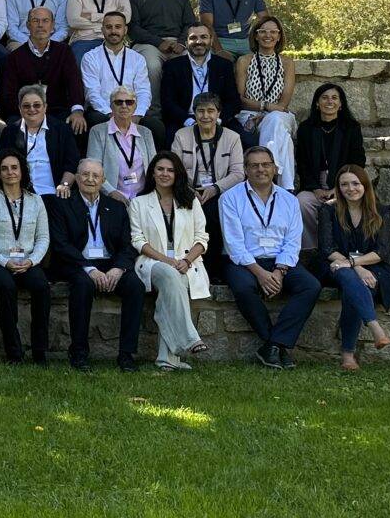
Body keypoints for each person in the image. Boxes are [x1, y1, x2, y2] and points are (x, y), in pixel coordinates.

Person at [220, 146, 319, 368]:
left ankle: (273, 345)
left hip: (279, 261)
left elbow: (292, 242)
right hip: (244, 262)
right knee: (243, 288)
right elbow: (234, 244)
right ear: (246, 170)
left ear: (274, 168)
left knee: (310, 286)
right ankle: (275, 344)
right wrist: (261, 274)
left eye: (266, 164)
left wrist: (279, 271)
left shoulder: (289, 200)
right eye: (254, 165)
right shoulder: (229, 198)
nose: (260, 169)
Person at [48, 159, 143, 371]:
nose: (90, 179)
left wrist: (118, 268)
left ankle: (127, 355)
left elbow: (128, 245)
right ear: (76, 178)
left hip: (111, 264)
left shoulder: (116, 207)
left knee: (135, 286)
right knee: (83, 285)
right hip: (77, 263)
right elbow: (61, 244)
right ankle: (79, 353)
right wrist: (89, 269)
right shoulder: (62, 204)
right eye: (85, 174)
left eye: (95, 176)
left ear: (103, 180)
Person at [129, 152, 211, 371]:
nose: (165, 174)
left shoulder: (190, 200)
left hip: (186, 263)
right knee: (169, 274)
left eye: (170, 170)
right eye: (160, 169)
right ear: (152, 173)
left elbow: (202, 238)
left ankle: (167, 360)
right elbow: (138, 240)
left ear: (177, 174)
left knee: (173, 287)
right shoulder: (138, 203)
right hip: (152, 261)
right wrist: (167, 260)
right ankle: (190, 338)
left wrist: (186, 260)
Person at [317, 165, 390, 371]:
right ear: (338, 188)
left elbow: (382, 251)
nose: (350, 188)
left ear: (365, 185)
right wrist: (356, 267)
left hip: (374, 267)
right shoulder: (328, 210)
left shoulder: (381, 211)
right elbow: (327, 248)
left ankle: (348, 356)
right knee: (346, 274)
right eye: (344, 184)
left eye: (355, 183)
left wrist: (354, 264)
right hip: (335, 264)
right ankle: (374, 326)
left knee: (351, 288)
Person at [0, 150, 52, 364]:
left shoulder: (36, 201)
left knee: (41, 286)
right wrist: (4, 261)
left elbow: (43, 237)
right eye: (4, 169)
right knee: (6, 286)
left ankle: (40, 352)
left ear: (22, 171)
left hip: (27, 261)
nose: (10, 172)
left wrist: (32, 261)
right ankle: (14, 353)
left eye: (14, 167)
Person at [172, 93, 247, 283]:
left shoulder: (232, 137)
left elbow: (238, 173)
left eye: (211, 111)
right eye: (201, 111)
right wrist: (190, 190)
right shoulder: (182, 135)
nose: (205, 116)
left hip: (220, 192)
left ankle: (213, 270)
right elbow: (175, 169)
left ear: (218, 113)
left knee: (215, 212)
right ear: (194, 113)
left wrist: (215, 188)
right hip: (188, 190)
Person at [294, 82, 365, 250]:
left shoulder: (351, 128)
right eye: (324, 98)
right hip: (315, 186)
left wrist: (337, 188)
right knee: (301, 202)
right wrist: (315, 189)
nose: (329, 101)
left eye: (334, 98)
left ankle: (338, 247)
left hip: (342, 184)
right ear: (317, 103)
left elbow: (357, 161)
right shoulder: (306, 128)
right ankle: (314, 247)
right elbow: (302, 162)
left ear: (341, 104)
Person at [235, 16, 297, 188]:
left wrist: (267, 114)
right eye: (263, 31)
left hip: (280, 115)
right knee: (285, 140)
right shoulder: (244, 61)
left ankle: (265, 169)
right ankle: (286, 187)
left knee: (275, 119)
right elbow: (240, 99)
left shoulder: (287, 63)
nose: (268, 35)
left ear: (279, 36)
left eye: (273, 32)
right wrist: (265, 107)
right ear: (256, 35)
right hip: (250, 115)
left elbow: (284, 103)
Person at [129, 0, 201, 95]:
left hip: (177, 44)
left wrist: (182, 43)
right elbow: (133, 28)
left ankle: (186, 107)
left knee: (190, 64)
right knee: (152, 66)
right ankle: (153, 108)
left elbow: (189, 23)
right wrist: (159, 42)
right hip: (148, 44)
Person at [81, 12, 160, 140]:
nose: (113, 31)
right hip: (103, 112)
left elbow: (143, 91)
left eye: (118, 27)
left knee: (156, 127)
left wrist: (137, 115)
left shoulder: (137, 58)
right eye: (109, 27)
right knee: (95, 122)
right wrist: (111, 115)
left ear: (125, 30)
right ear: (102, 30)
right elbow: (92, 92)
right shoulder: (90, 57)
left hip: (131, 111)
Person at [0, 84, 81, 199]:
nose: (32, 109)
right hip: (22, 195)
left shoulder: (62, 130)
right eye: (26, 106)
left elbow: (72, 163)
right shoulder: (10, 132)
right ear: (20, 109)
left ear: (45, 107)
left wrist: (65, 185)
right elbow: (4, 164)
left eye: (37, 105)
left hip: (55, 193)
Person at [159, 23, 241, 131]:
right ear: (186, 42)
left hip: (218, 119)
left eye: (203, 37)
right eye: (193, 38)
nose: (198, 41)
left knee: (246, 139)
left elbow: (233, 101)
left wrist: (218, 120)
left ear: (211, 40)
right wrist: (189, 122)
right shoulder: (172, 66)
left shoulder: (224, 65)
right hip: (184, 120)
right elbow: (167, 101)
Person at [85, 86, 152, 200]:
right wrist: (111, 192)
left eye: (129, 102)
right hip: (111, 198)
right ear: (111, 106)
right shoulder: (98, 132)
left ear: (135, 107)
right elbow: (93, 169)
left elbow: (153, 167)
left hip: (143, 198)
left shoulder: (146, 133)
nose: (124, 106)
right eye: (119, 102)